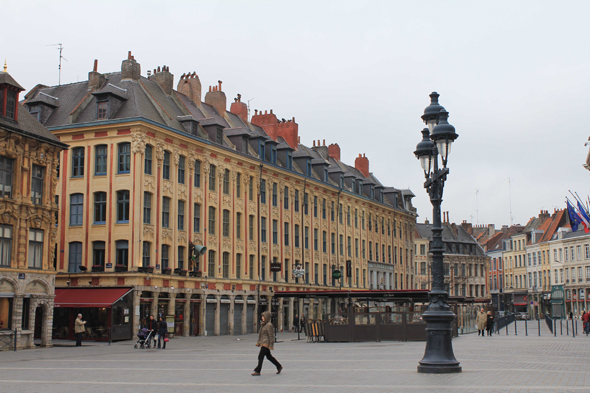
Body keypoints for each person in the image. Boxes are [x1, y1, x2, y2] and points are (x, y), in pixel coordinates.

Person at [252, 311, 282, 376]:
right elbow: (261, 335)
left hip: (266, 343)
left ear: (267, 317)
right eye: (262, 316)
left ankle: (258, 371)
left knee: (260, 356)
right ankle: (279, 366)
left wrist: (271, 345)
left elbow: (271, 336)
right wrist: (258, 342)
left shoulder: (269, 325)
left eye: (263, 316)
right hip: (263, 343)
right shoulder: (263, 325)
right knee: (269, 357)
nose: (262, 318)